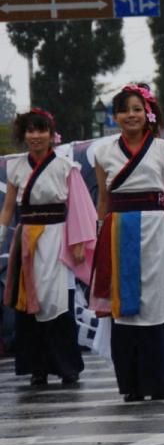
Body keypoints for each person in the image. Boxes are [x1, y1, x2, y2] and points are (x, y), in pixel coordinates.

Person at [91, 84, 164, 401]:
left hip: (155, 230)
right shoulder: (103, 153)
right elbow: (103, 198)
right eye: (124, 110)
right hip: (117, 229)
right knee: (123, 310)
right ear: (115, 116)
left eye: (137, 109)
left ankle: (157, 383)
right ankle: (130, 385)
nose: (131, 115)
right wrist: (100, 233)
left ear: (148, 113)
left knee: (156, 304)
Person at [0, 109, 96, 386]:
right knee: (29, 303)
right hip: (26, 240)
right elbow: (8, 209)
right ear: (23, 134)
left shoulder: (66, 167)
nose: (36, 136)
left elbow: (79, 208)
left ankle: (67, 366)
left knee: (57, 303)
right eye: (30, 130)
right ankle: (37, 368)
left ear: (51, 135)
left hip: (57, 239)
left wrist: (78, 242)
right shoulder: (16, 167)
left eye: (41, 130)